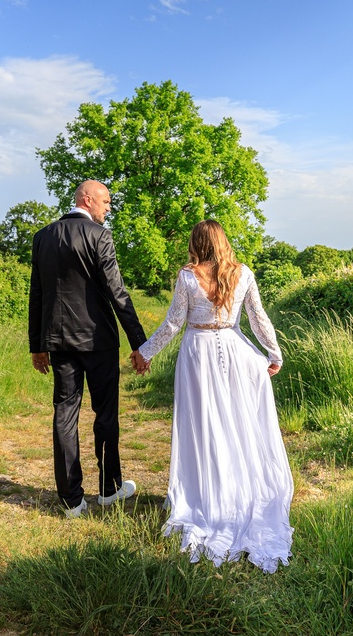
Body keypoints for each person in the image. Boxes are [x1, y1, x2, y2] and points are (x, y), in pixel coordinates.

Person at [137, 220, 293, 572]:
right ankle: (235, 493)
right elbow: (259, 318)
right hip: (238, 352)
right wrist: (274, 353)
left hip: (199, 354)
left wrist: (145, 353)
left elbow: (174, 323)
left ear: (196, 242)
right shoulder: (244, 274)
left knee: (205, 427)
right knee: (238, 426)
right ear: (223, 241)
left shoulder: (188, 276)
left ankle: (206, 495)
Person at [29, 180, 150, 518]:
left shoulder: (43, 237)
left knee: (64, 415)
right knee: (106, 414)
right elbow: (118, 293)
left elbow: (36, 293)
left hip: (59, 342)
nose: (108, 208)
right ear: (87, 199)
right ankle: (110, 489)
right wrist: (141, 344)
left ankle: (71, 501)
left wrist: (37, 345)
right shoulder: (100, 236)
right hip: (98, 343)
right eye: (106, 202)